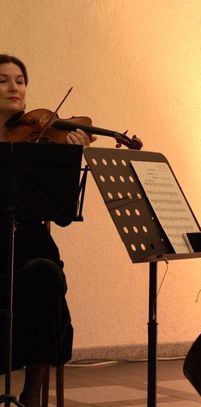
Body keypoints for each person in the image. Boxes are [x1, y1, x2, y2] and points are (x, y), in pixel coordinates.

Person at [0, 54, 95, 407]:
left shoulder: (42, 140)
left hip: (30, 242)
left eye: (20, 80)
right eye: (3, 80)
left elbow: (61, 215)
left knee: (45, 274)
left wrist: (68, 158)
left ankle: (32, 396)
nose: (14, 87)